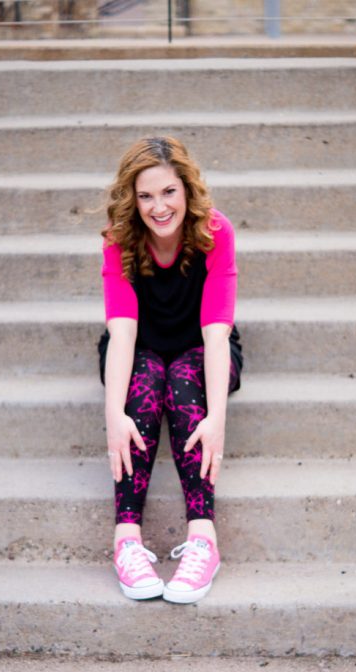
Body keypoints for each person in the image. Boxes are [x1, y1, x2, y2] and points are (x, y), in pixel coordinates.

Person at [98, 136, 243, 604]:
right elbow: (121, 333)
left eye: (168, 192)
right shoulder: (120, 239)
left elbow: (216, 334)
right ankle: (127, 541)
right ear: (131, 199)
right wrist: (113, 418)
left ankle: (204, 541)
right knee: (143, 384)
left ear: (187, 190)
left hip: (200, 345)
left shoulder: (215, 232)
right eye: (145, 196)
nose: (158, 207)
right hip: (137, 344)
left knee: (182, 379)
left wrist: (216, 419)